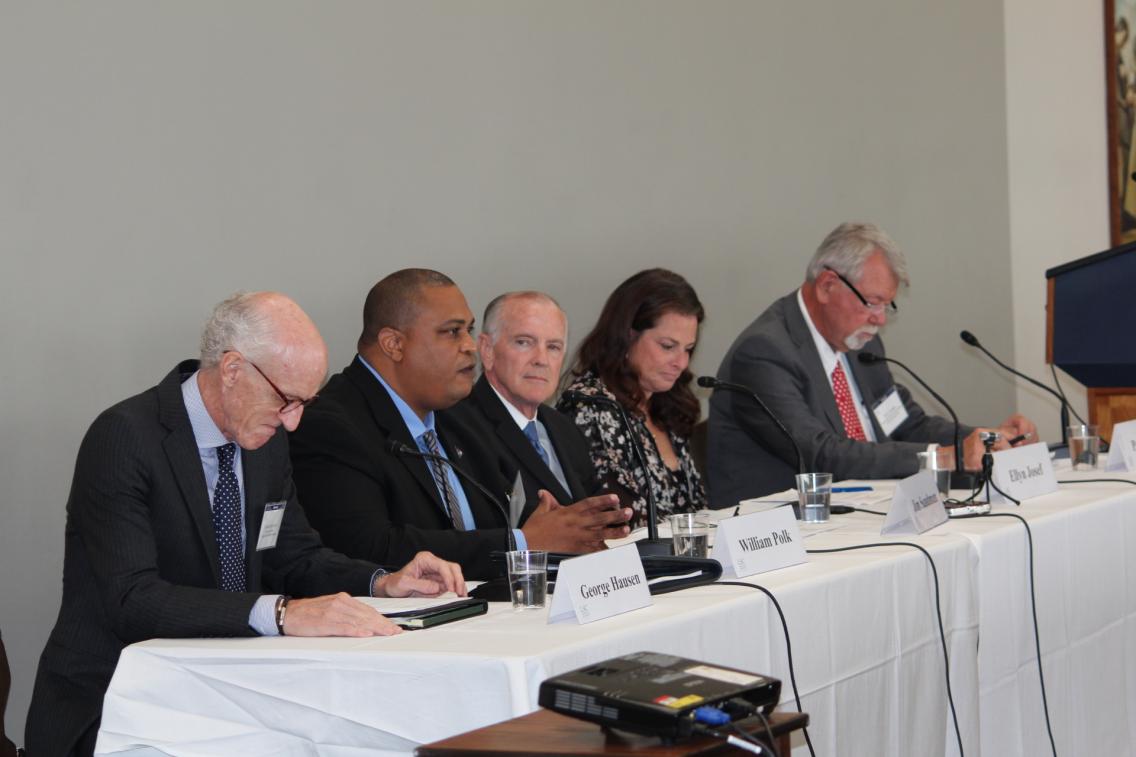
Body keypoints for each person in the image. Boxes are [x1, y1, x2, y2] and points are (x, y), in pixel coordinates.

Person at [25, 292, 465, 757]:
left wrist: (382, 582)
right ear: (233, 370)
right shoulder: (125, 437)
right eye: (287, 401)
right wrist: (279, 613)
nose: (294, 423)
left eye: (305, 404)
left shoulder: (266, 442)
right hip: (117, 703)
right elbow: (132, 599)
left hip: (229, 692)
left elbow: (295, 557)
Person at [289, 270, 630, 580]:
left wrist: (556, 524)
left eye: (467, 330)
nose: (469, 346)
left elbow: (506, 513)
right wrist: (522, 542)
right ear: (394, 344)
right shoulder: (331, 426)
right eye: (452, 332)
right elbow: (369, 549)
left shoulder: (460, 415)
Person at [707, 221, 1037, 503]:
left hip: (867, 511)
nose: (879, 320)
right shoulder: (765, 352)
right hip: (784, 534)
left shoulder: (861, 343)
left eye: (887, 306)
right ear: (827, 285)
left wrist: (987, 438)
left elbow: (906, 424)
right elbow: (821, 455)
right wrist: (944, 457)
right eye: (873, 303)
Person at [451, 291, 627, 528]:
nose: (541, 359)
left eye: (553, 347)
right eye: (524, 342)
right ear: (487, 350)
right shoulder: (461, 424)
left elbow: (597, 512)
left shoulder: (563, 427)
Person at [556, 269, 708, 529]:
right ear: (627, 335)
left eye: (688, 349)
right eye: (668, 346)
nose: (681, 363)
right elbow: (620, 522)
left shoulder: (666, 404)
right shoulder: (590, 408)